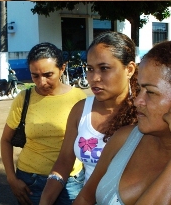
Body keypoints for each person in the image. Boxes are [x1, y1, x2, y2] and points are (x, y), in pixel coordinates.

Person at [39, 32, 138, 205]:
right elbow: (64, 161)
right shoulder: (81, 110)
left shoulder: (143, 114)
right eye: (90, 69)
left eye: (104, 68)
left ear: (129, 69)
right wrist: (46, 199)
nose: (94, 78)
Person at [73, 40, 171, 205]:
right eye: (140, 89)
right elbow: (84, 197)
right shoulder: (125, 138)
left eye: (151, 92)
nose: (137, 101)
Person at [1, 42, 86, 205]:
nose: (41, 82)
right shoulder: (24, 98)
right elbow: (5, 140)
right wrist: (11, 178)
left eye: (48, 74)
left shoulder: (79, 97)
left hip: (71, 180)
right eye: (35, 76)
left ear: (62, 68)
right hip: (31, 181)